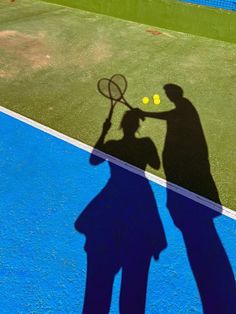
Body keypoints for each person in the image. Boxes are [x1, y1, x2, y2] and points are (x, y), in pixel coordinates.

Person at [75, 109, 167, 314]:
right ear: (137, 126)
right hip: (139, 200)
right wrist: (149, 147)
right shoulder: (145, 143)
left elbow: (94, 160)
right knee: (134, 274)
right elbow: (156, 164)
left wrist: (103, 132)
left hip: (115, 200)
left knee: (101, 281)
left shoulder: (113, 146)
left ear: (122, 126)